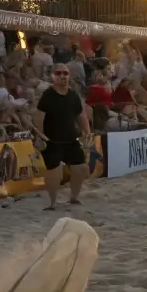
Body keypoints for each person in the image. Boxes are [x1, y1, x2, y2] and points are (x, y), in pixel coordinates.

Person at [35, 63, 91, 212]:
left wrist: (87, 131)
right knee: (54, 172)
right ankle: (52, 202)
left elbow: (80, 115)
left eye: (65, 73)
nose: (62, 76)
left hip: (71, 139)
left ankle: (74, 197)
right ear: (53, 76)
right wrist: (40, 136)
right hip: (52, 140)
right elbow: (39, 116)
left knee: (80, 168)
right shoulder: (48, 95)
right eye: (59, 73)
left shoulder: (73, 95)